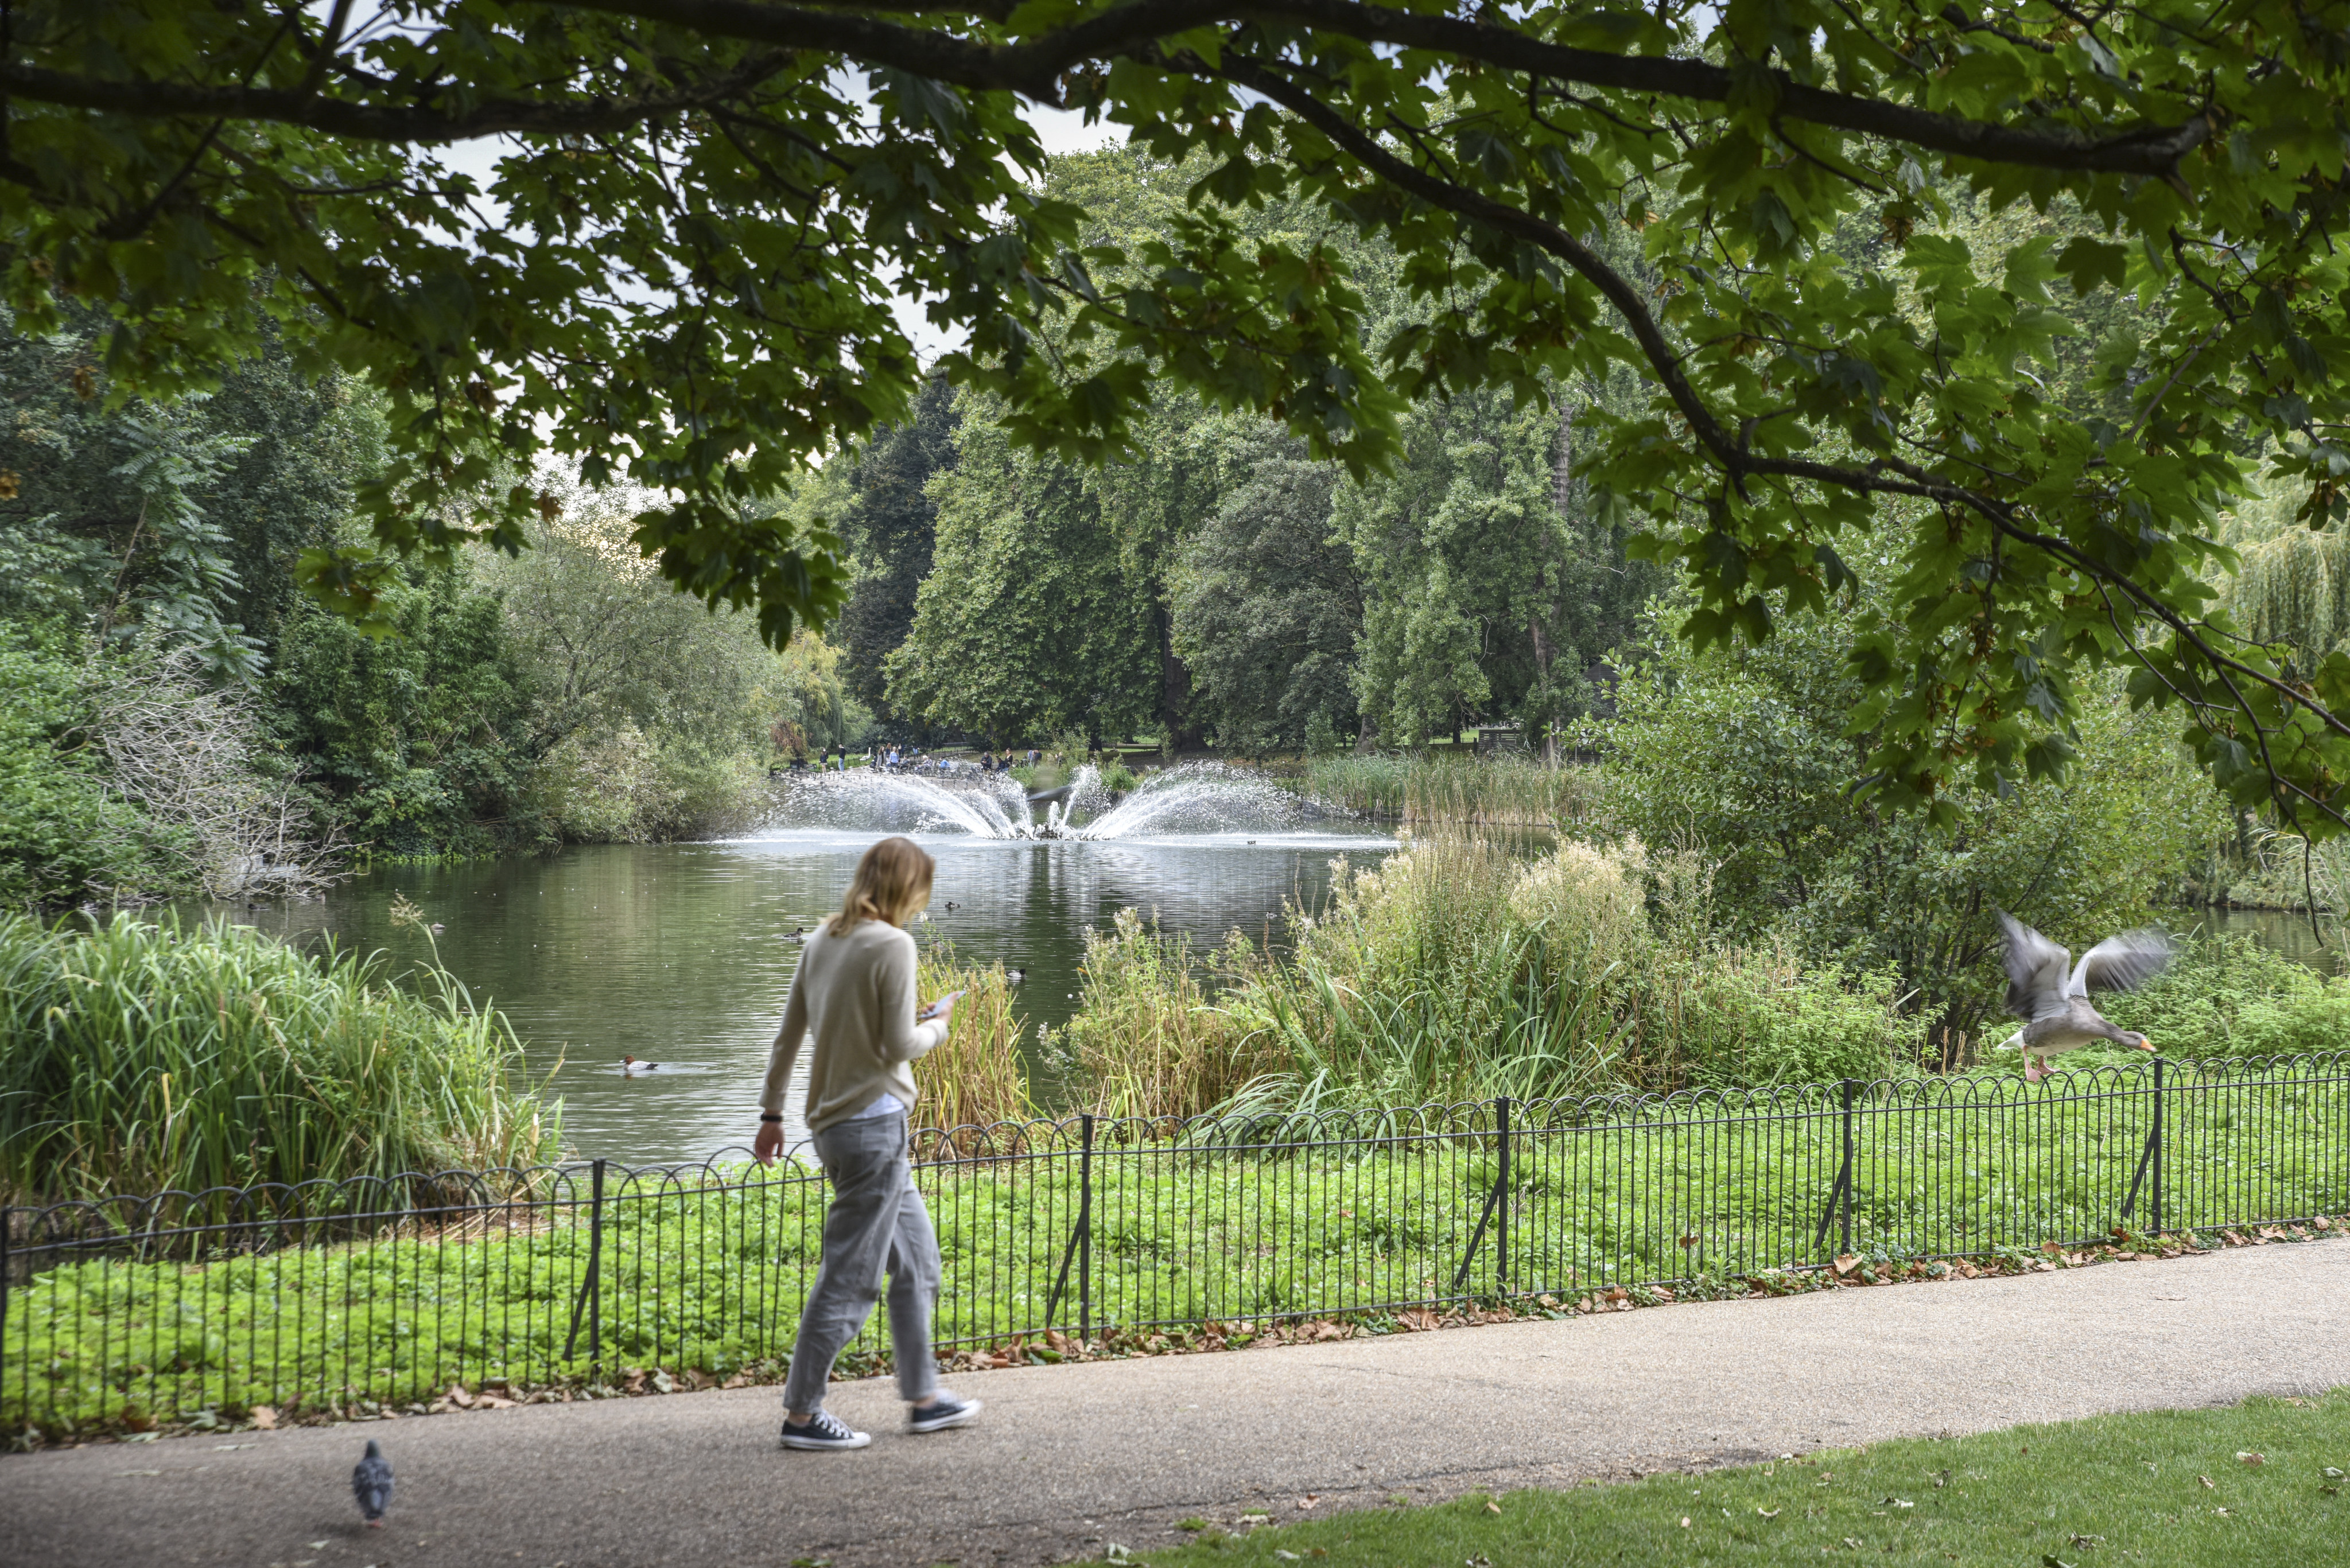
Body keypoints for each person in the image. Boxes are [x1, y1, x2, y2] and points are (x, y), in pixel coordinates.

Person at [752, 836, 980, 1451]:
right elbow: (898, 1046)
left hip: (833, 1126)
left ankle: (925, 1400)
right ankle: (802, 1415)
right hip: (872, 1128)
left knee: (918, 1264)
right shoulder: (894, 944)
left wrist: (771, 1115)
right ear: (909, 887)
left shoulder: (824, 939)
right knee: (851, 1277)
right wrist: (938, 1027)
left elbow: (786, 1038)